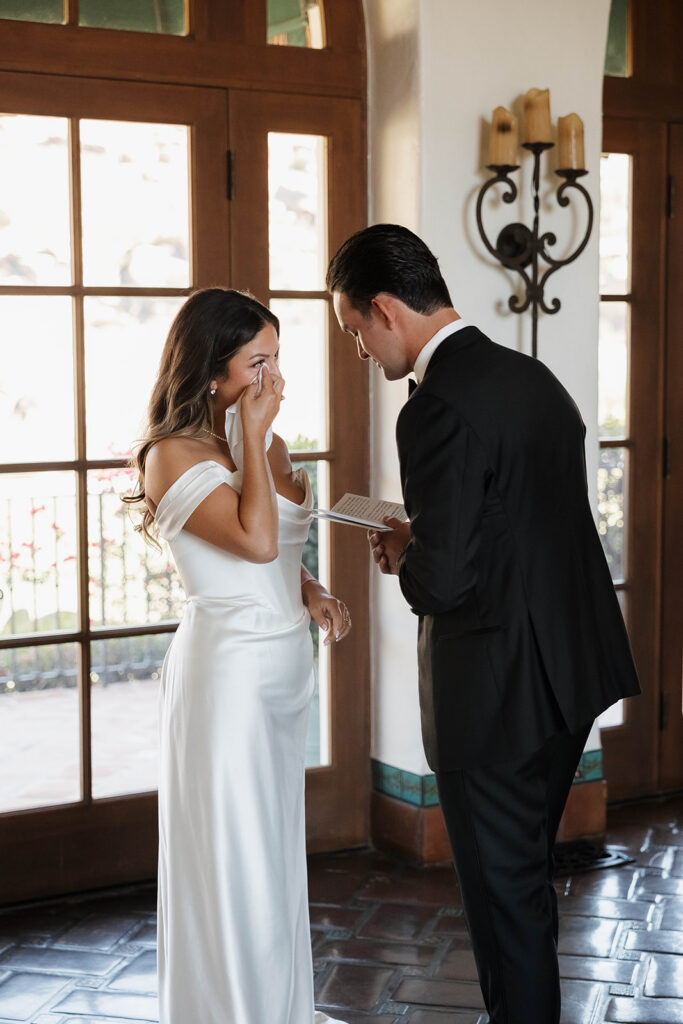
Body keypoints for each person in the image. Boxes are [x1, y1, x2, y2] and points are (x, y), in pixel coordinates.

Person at [326, 224, 640, 1024]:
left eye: (354, 330)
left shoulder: (433, 408)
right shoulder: (532, 378)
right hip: (569, 674)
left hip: (494, 695)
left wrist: (403, 548)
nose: (359, 349)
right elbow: (525, 526)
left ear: (386, 310)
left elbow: (443, 581)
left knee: (506, 908)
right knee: (522, 885)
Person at [125, 288, 350, 1024]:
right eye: (257, 361)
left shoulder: (266, 443)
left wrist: (311, 589)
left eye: (277, 357)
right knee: (234, 860)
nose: (272, 377)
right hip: (225, 681)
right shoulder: (172, 456)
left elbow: (275, 552)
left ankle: (279, 1008)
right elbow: (250, 539)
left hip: (282, 673)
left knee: (275, 855)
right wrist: (251, 435)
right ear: (211, 369)